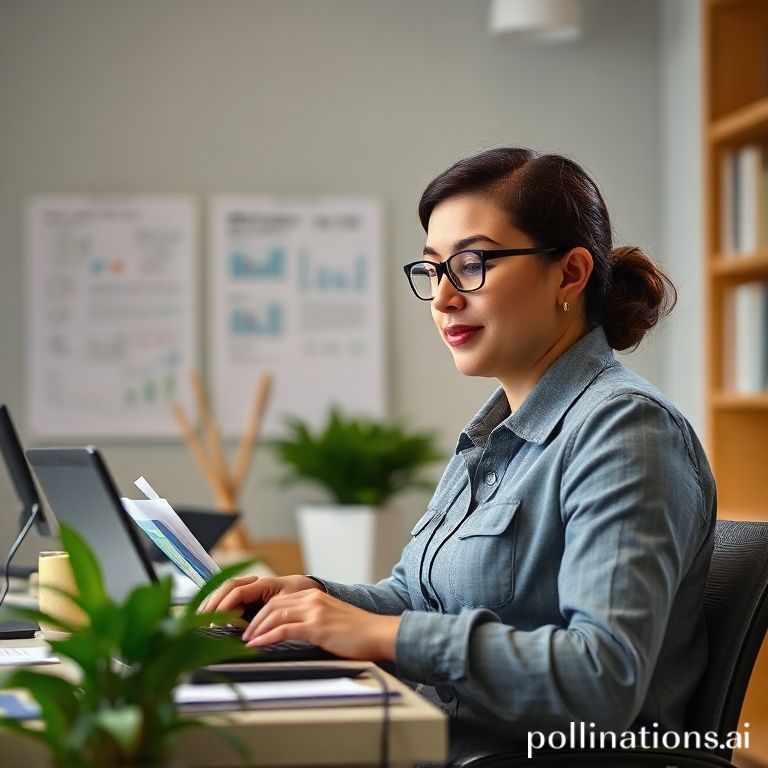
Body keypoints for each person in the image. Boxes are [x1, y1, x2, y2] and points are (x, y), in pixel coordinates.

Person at [200, 147, 716, 764]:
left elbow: (602, 677)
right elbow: (419, 599)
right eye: (432, 270)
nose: (443, 298)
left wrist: (382, 635)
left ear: (571, 274)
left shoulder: (626, 430)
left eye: (471, 265)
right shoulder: (495, 433)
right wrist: (313, 599)